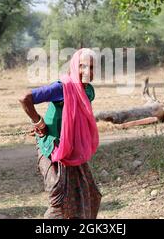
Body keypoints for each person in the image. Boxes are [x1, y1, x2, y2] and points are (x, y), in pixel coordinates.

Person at [19, 48, 101, 219]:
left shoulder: (88, 91)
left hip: (73, 149)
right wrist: (38, 122)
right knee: (59, 198)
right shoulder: (61, 88)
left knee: (91, 194)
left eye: (92, 68)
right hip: (52, 148)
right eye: (82, 66)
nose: (87, 72)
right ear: (73, 66)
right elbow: (25, 98)